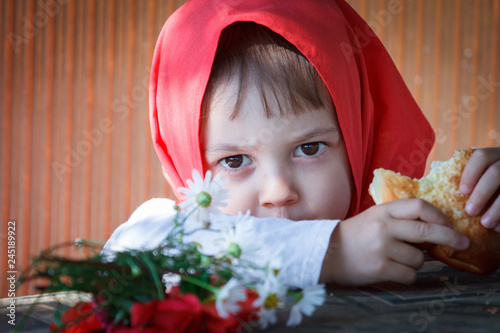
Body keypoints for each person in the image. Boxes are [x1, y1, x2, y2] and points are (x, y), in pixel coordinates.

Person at [103, 0, 500, 287]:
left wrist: (488, 207)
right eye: (236, 159)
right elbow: (129, 250)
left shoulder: (407, 231)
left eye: (309, 148)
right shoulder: (183, 241)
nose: (279, 192)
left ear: (360, 144)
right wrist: (333, 251)